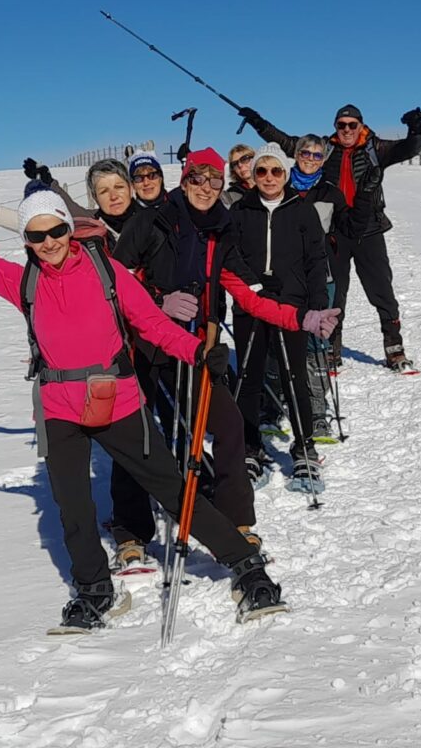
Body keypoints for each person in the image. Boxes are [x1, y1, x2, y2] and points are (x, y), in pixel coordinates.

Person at [0, 135, 283, 628]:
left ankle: (246, 566)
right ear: (26, 240)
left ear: (68, 228)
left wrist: (196, 352)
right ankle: (95, 590)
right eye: (36, 236)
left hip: (119, 401)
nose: (48, 242)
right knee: (72, 508)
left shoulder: (107, 272)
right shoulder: (22, 282)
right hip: (60, 409)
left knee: (175, 490)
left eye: (56, 230)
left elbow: (151, 324)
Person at [111, 147, 339, 563]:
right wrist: (157, 301)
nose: (206, 188)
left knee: (229, 424)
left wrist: (302, 318)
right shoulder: (149, 222)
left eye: (214, 180)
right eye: (197, 179)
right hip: (143, 344)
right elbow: (114, 282)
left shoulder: (220, 230)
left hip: (195, 345)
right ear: (184, 181)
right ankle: (131, 534)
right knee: (136, 433)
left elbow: (248, 293)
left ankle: (238, 522)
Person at [236, 103, 421, 371]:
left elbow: (409, 148)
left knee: (381, 290)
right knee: (335, 292)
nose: (346, 129)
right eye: (341, 125)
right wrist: (259, 122)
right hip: (336, 230)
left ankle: (394, 348)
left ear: (361, 125)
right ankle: (331, 350)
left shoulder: (376, 147)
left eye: (352, 125)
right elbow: (286, 142)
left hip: (369, 229)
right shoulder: (325, 148)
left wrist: (416, 129)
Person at [230, 142, 329, 493]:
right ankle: (251, 447)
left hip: (291, 305)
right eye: (261, 170)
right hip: (251, 303)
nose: (269, 177)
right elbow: (231, 255)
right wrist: (255, 285)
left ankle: (304, 447)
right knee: (249, 376)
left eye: (275, 171)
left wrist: (317, 303)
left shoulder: (302, 211)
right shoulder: (240, 210)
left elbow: (316, 260)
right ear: (254, 175)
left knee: (293, 375)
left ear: (286, 174)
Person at [288, 134, 352, 441]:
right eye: (306, 153)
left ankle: (317, 411)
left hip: (320, 277)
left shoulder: (330, 193)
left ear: (324, 159)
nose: (310, 159)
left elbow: (347, 231)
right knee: (284, 342)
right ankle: (280, 403)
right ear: (296, 154)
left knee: (316, 344)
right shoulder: (281, 186)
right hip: (287, 277)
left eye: (317, 155)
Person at [0, 157, 138, 253]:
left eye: (119, 187)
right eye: (104, 191)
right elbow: (39, 224)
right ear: (95, 197)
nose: (113, 196)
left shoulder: (152, 219)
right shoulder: (90, 224)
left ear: (131, 188)